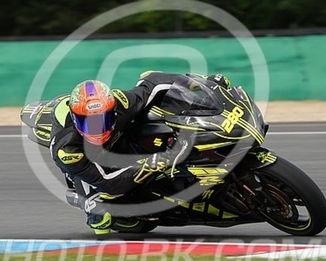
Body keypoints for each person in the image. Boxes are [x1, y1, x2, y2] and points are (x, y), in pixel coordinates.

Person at [49, 71, 232, 235]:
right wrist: (160, 160)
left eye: (103, 119)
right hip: (88, 161)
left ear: (113, 111)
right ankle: (88, 203)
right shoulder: (67, 149)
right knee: (101, 216)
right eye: (89, 123)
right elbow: (108, 183)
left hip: (116, 139)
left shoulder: (122, 103)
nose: (97, 129)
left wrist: (202, 82)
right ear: (76, 119)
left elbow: (154, 81)